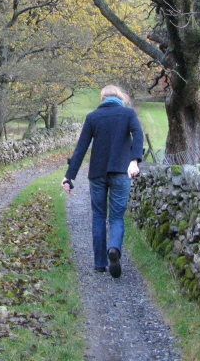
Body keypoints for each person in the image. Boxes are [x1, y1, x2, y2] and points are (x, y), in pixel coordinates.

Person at [62, 85, 143, 278]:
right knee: (116, 217)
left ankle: (99, 264)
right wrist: (134, 161)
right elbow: (138, 136)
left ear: (102, 98)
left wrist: (69, 176)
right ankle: (113, 249)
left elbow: (81, 147)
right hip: (120, 171)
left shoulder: (92, 117)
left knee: (98, 216)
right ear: (119, 97)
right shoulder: (128, 113)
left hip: (97, 174)